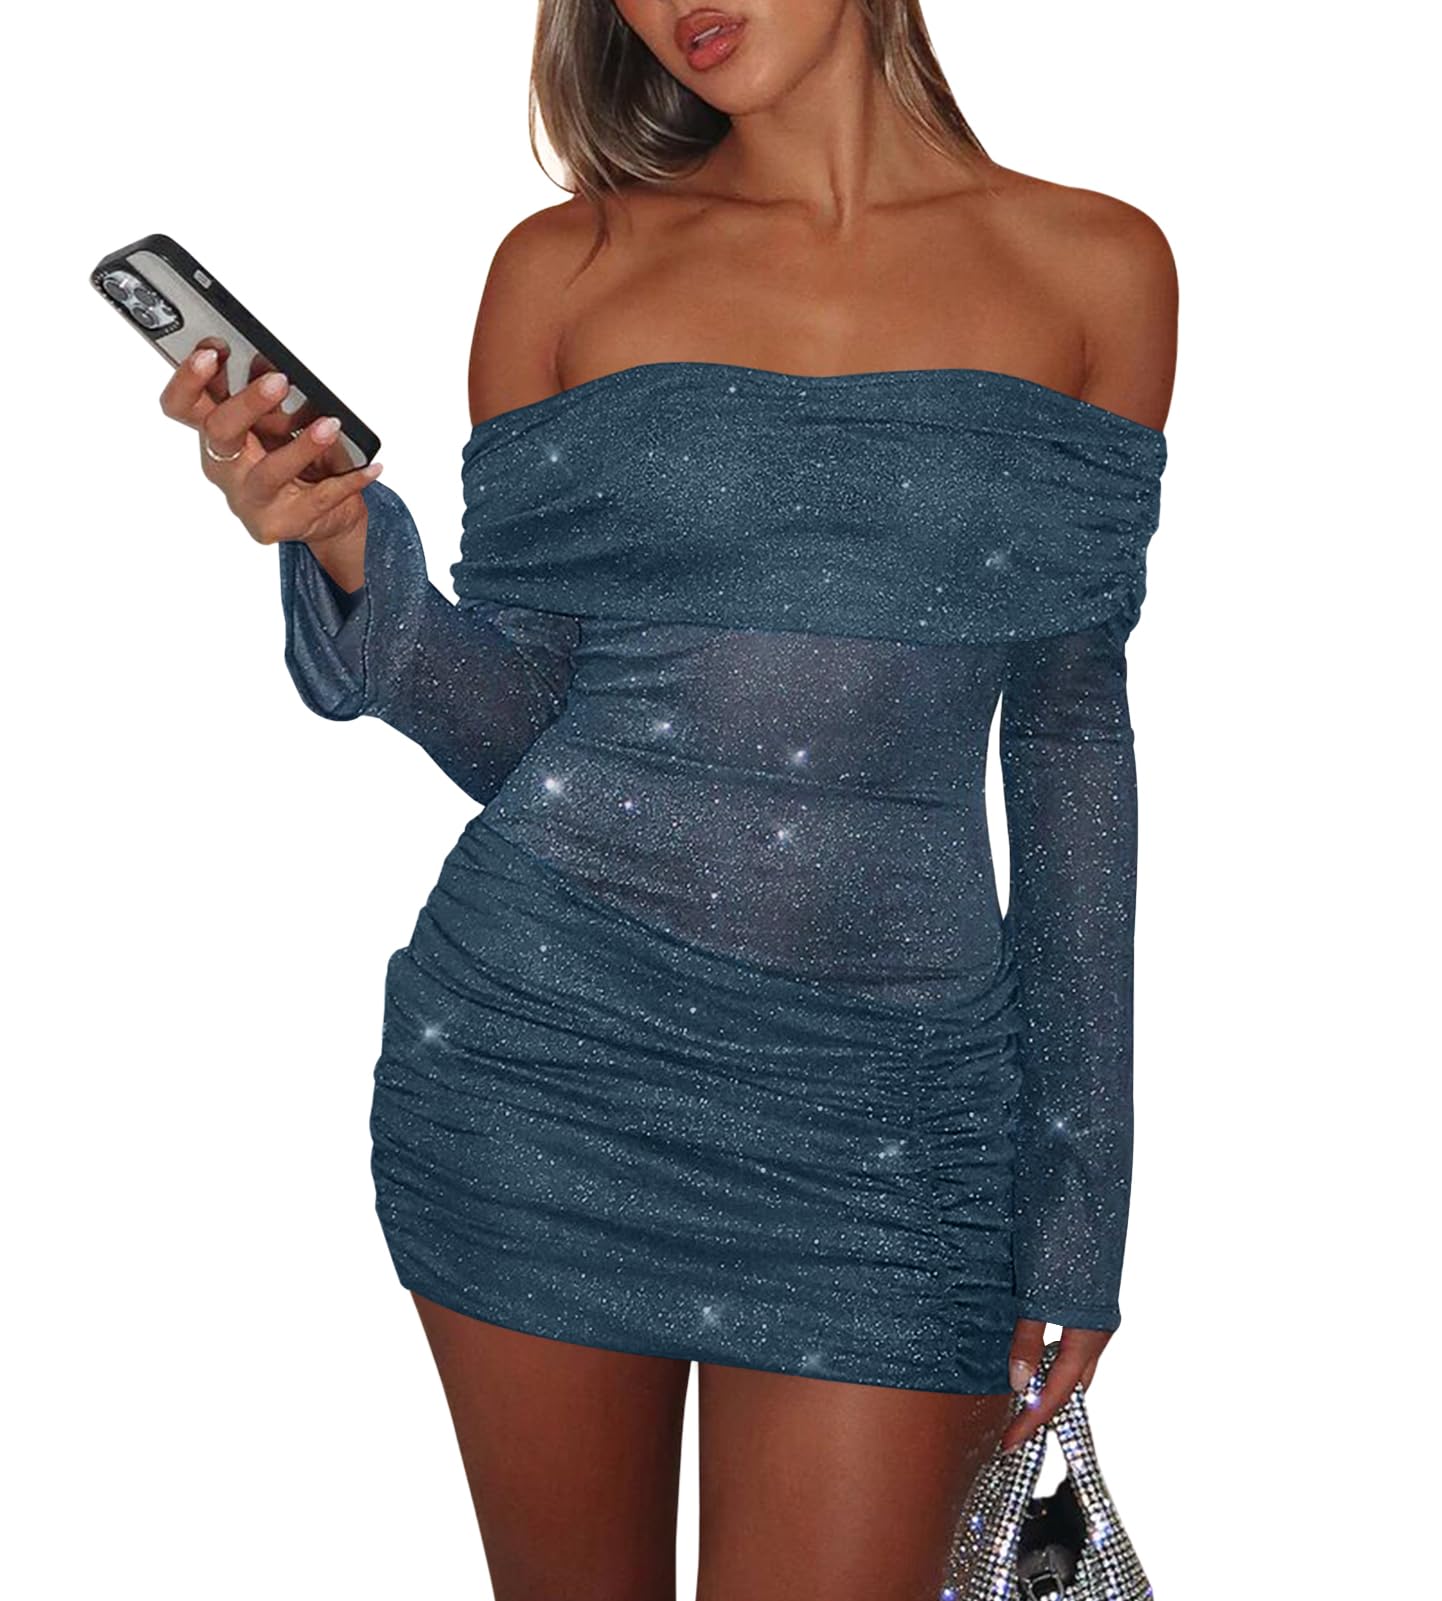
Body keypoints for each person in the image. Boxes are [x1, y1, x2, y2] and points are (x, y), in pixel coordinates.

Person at [158, 2, 1176, 1595]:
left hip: (896, 1124)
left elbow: (1067, 744)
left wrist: (1076, 1200)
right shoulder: (564, 272)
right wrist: (349, 547)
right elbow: (523, 724)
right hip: (540, 1071)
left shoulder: (1096, 268)